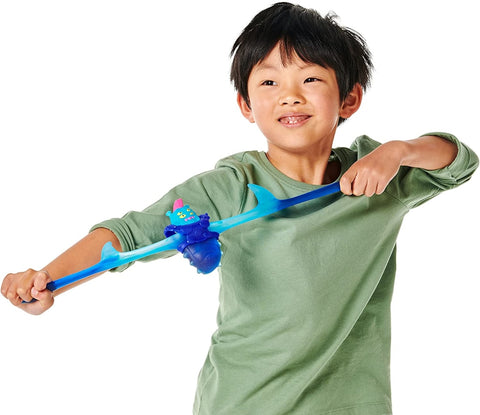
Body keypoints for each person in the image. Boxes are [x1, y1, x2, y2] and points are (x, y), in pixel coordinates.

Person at [2, 2, 478, 414]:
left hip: (353, 403)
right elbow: (127, 236)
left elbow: (460, 161)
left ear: (349, 99)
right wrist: (47, 280)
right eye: (269, 81)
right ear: (246, 105)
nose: (290, 95)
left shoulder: (380, 176)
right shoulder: (232, 186)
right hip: (243, 402)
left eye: (311, 78)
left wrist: (399, 151)